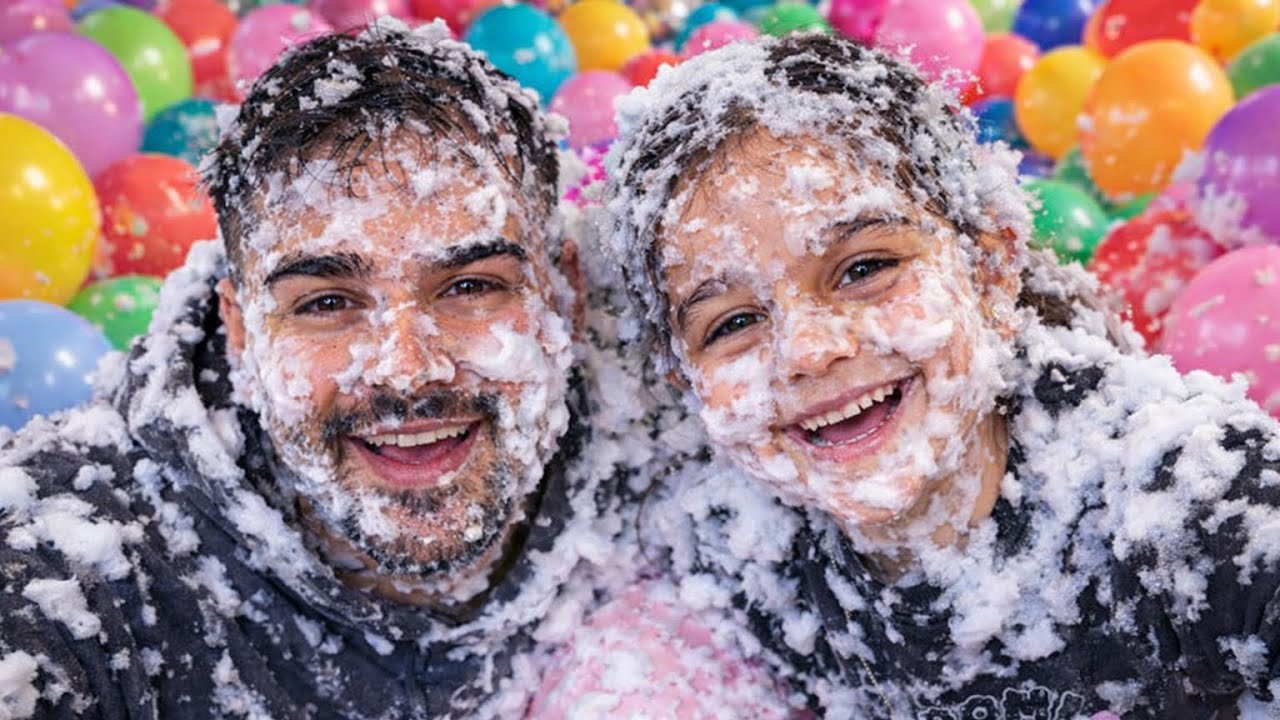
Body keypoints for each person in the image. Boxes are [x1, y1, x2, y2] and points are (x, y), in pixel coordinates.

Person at [0, 20, 790, 719]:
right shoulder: (87, 557)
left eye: (471, 286)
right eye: (326, 303)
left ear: (566, 295)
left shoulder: (701, 429)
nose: (406, 371)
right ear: (239, 331)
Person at [604, 32, 1280, 719]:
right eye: (731, 323)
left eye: (864, 268)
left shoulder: (1181, 493)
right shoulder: (725, 550)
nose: (807, 351)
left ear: (991, 269)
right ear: (681, 378)